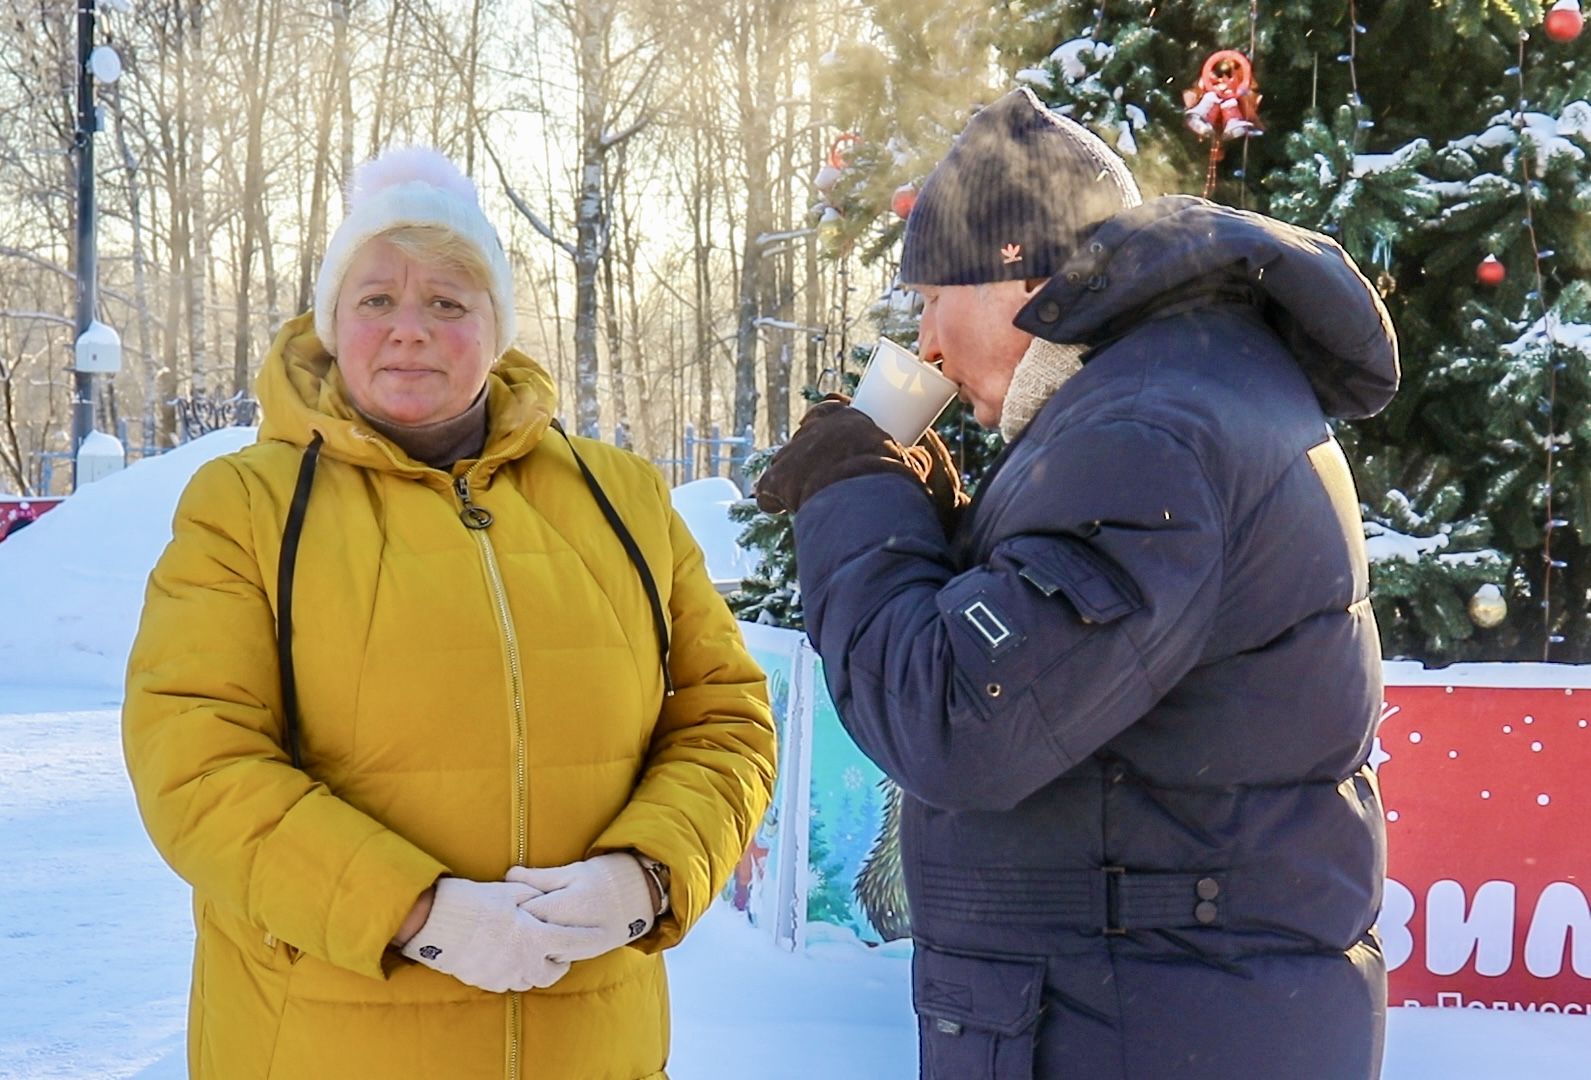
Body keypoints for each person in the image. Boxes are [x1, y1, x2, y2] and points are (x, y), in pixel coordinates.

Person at [756, 86, 1396, 1078]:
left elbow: (958, 719)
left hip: (1137, 1025)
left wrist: (854, 491)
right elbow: (1064, 677)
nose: (925, 344)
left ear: (1018, 275)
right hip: (1164, 1014)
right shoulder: (1179, 393)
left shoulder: (1147, 431)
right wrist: (933, 525)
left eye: (931, 298)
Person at [123, 147, 775, 1080]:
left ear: (496, 328)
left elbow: (726, 718)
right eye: (376, 299)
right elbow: (195, 759)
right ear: (332, 323)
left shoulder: (621, 498)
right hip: (323, 1046)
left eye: (447, 302)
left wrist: (649, 875)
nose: (410, 330)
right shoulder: (247, 505)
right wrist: (417, 913)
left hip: (590, 1047)